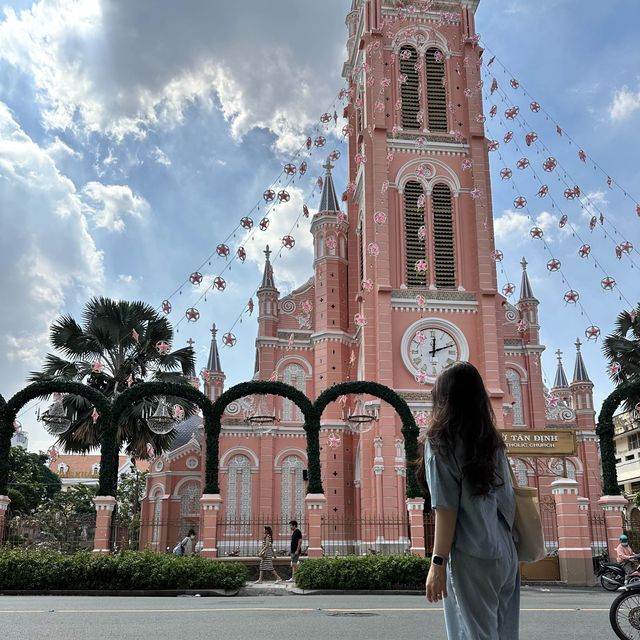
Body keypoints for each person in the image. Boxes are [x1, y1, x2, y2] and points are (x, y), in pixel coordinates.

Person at [415, 361, 520, 640]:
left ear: (444, 399)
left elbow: (445, 509)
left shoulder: (440, 442)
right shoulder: (493, 441)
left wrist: (437, 563)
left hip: (470, 554)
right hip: (506, 553)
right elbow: (510, 498)